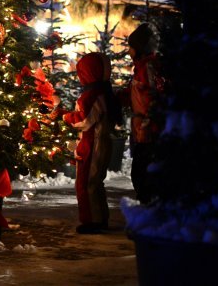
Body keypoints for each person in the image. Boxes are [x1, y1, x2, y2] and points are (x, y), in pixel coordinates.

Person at [63, 52, 122, 234]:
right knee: (95, 183)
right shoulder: (106, 93)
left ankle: (92, 221)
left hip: (92, 145)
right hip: (99, 142)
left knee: (87, 183)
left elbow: (84, 120)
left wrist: (65, 116)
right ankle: (99, 218)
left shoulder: (91, 95)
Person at [120, 22, 163, 204]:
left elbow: (153, 97)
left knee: (143, 171)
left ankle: (149, 208)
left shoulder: (148, 68)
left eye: (131, 47)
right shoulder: (140, 68)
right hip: (140, 128)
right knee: (139, 170)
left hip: (148, 129)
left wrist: (147, 124)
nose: (128, 51)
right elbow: (135, 94)